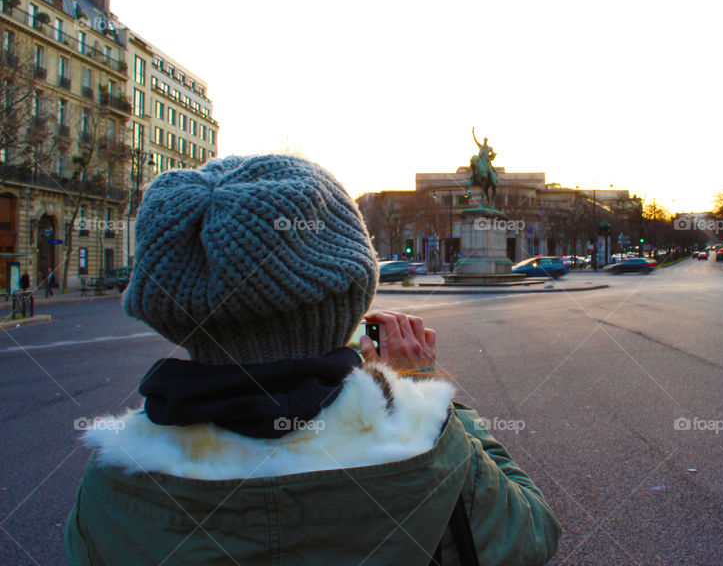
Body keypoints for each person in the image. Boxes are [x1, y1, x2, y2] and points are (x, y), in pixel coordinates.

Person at [65, 155, 560, 565]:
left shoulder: (111, 485)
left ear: (167, 307)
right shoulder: (422, 448)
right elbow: (531, 536)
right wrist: (426, 390)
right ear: (352, 290)